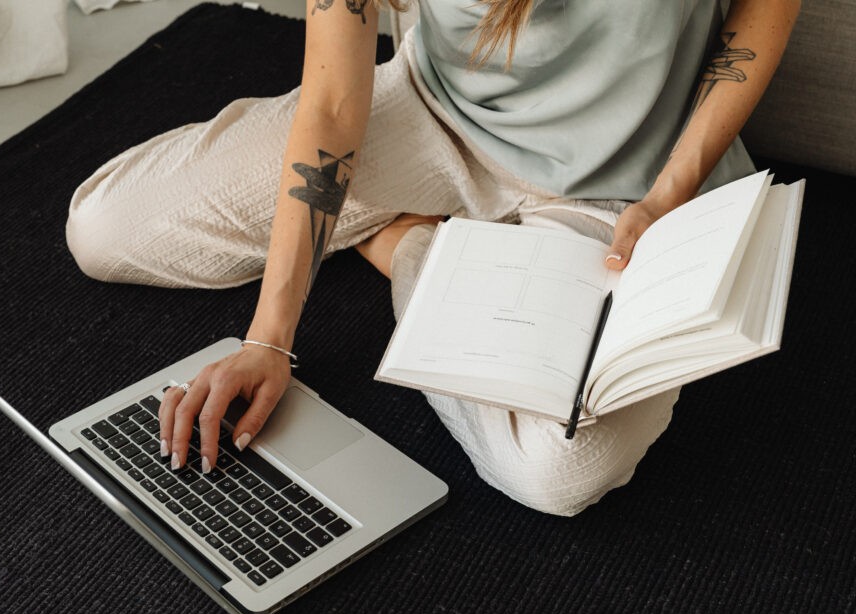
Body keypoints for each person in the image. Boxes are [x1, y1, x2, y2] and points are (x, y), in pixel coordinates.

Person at [65, 0, 800, 516]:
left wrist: (673, 191)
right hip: (436, 118)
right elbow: (330, 107)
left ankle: (413, 245)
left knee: (561, 469)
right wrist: (269, 338)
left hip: (624, 190)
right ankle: (434, 240)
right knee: (102, 227)